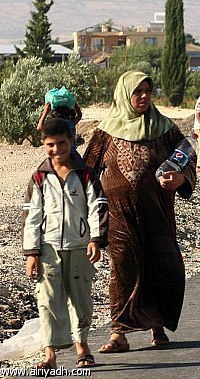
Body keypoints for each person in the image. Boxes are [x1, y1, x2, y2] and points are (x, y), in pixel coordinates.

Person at [84, 70, 197, 353]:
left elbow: (188, 157)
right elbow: (87, 171)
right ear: (125, 94)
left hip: (157, 213)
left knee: (161, 265)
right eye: (137, 91)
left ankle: (157, 325)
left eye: (147, 90)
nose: (144, 96)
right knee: (121, 270)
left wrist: (180, 179)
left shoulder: (164, 128)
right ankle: (118, 333)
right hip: (118, 216)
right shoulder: (106, 131)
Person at [23, 118, 108, 370]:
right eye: (50, 144)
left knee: (80, 299)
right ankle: (50, 354)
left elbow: (97, 207)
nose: (56, 149)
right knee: (48, 299)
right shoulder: (39, 177)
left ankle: (82, 347)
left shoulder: (85, 175)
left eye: (62, 143)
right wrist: (32, 253)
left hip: (80, 247)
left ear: (71, 141)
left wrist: (95, 239)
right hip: (48, 249)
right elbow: (31, 216)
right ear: (43, 144)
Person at [37, 86, 83, 158]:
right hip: (73, 154)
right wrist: (74, 104)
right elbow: (79, 115)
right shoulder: (70, 123)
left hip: (59, 154)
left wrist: (45, 111)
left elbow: (39, 127)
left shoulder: (54, 125)